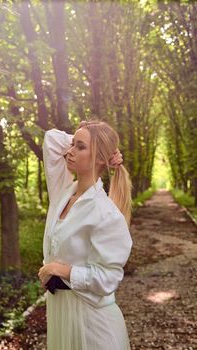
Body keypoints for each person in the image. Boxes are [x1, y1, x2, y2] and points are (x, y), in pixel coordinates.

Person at [38, 120, 133, 350]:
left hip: (91, 324)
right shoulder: (62, 193)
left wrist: (60, 269)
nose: (69, 151)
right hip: (61, 314)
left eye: (80, 147)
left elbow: (109, 277)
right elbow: (51, 139)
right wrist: (95, 143)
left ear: (99, 158)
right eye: (72, 144)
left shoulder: (105, 213)